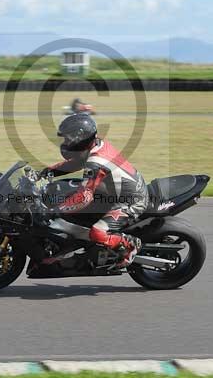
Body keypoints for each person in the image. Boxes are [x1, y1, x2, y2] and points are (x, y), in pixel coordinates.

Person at [40, 113, 145, 268]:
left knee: (97, 232)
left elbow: (84, 197)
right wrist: (46, 172)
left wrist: (56, 210)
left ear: (80, 138)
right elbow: (76, 162)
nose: (65, 142)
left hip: (130, 201)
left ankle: (130, 244)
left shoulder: (96, 162)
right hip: (112, 193)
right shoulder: (94, 146)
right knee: (66, 194)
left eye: (68, 138)